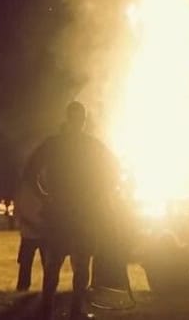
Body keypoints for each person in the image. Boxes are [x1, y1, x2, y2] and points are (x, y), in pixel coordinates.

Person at [32, 101, 117, 320]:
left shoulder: (55, 144)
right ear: (83, 120)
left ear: (68, 118)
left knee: (54, 264)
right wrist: (99, 195)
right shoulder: (91, 145)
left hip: (60, 211)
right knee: (81, 263)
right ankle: (75, 310)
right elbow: (113, 171)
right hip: (82, 213)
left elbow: (30, 173)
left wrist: (44, 196)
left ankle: (48, 310)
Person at [15, 161, 46, 291]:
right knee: (26, 262)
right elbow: (20, 211)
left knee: (45, 262)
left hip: (39, 231)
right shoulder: (26, 191)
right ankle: (23, 286)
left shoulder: (43, 189)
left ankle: (46, 286)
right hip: (33, 231)